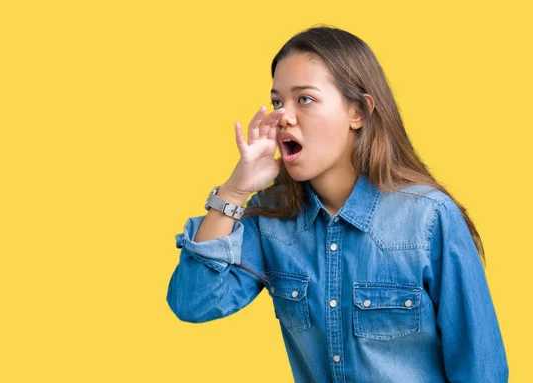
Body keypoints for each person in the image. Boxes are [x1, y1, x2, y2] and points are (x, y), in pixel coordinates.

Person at [166, 25, 508, 382]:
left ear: (358, 112)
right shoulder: (271, 219)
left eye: (305, 99)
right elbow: (194, 301)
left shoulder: (428, 217)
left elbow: (481, 368)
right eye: (278, 101)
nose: (284, 116)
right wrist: (234, 191)